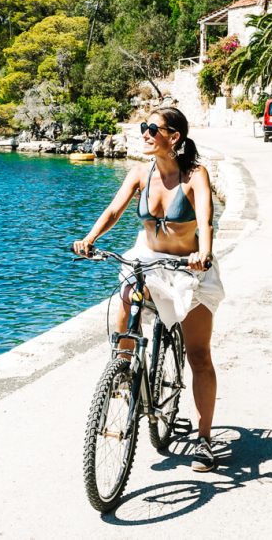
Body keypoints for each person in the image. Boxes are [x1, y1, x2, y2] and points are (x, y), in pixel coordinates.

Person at [72, 106, 226, 472]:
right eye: (143, 127)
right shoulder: (141, 172)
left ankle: (205, 439)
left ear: (174, 137)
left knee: (199, 356)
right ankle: (124, 370)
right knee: (125, 293)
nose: (143, 133)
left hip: (190, 267)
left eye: (151, 128)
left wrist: (204, 253)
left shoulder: (194, 175)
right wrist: (90, 238)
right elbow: (113, 211)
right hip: (149, 256)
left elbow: (204, 218)